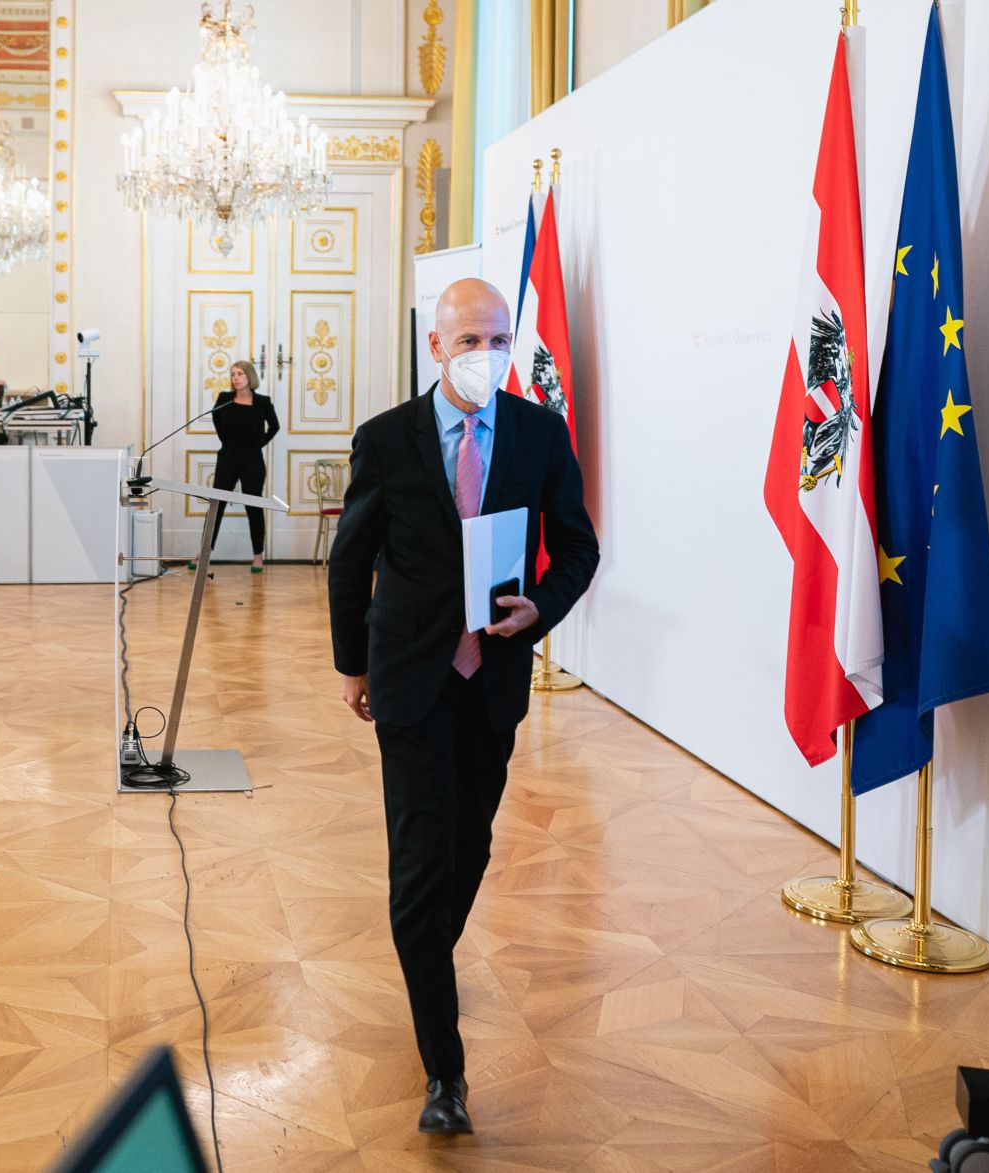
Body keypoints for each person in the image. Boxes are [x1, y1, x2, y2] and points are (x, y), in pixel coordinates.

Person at [327, 278, 599, 1136]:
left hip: (493, 678)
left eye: (497, 338)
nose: (484, 354)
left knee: (470, 846)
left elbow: (580, 550)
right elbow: (350, 560)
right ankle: (446, 1073)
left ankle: (425, 968)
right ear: (436, 347)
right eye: (468, 339)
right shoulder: (386, 438)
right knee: (417, 871)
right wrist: (349, 665)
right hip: (408, 677)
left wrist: (540, 609)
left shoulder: (539, 432)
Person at [206, 360, 280, 572]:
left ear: (249, 376)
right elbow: (216, 418)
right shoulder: (225, 399)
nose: (235, 378)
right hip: (228, 458)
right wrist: (227, 442)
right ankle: (204, 554)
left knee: (253, 506)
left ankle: (257, 556)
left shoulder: (263, 402)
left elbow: (275, 426)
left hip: (252, 461)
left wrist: (258, 444)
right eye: (233, 374)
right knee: (216, 505)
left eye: (239, 374)